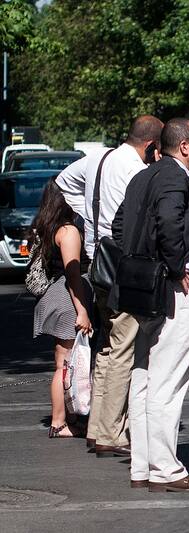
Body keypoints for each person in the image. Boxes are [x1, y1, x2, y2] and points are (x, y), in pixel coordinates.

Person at [113, 118, 189, 492]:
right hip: (171, 289)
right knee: (167, 380)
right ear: (184, 146)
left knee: (144, 374)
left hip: (144, 289)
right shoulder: (173, 178)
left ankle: (143, 467)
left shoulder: (144, 176)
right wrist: (173, 268)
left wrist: (141, 263)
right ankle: (165, 470)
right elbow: (170, 224)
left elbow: (120, 225)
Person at [56, 115, 164, 457]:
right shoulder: (137, 172)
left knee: (107, 344)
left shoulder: (99, 159)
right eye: (157, 149)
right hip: (124, 265)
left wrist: (89, 215)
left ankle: (98, 426)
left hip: (97, 261)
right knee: (124, 348)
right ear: (150, 146)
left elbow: (63, 182)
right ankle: (111, 432)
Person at [30, 179, 93, 438]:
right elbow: (73, 273)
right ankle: (60, 421)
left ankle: (63, 419)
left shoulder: (47, 227)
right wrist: (82, 310)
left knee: (63, 363)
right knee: (65, 364)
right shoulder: (68, 231)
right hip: (67, 300)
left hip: (56, 296)